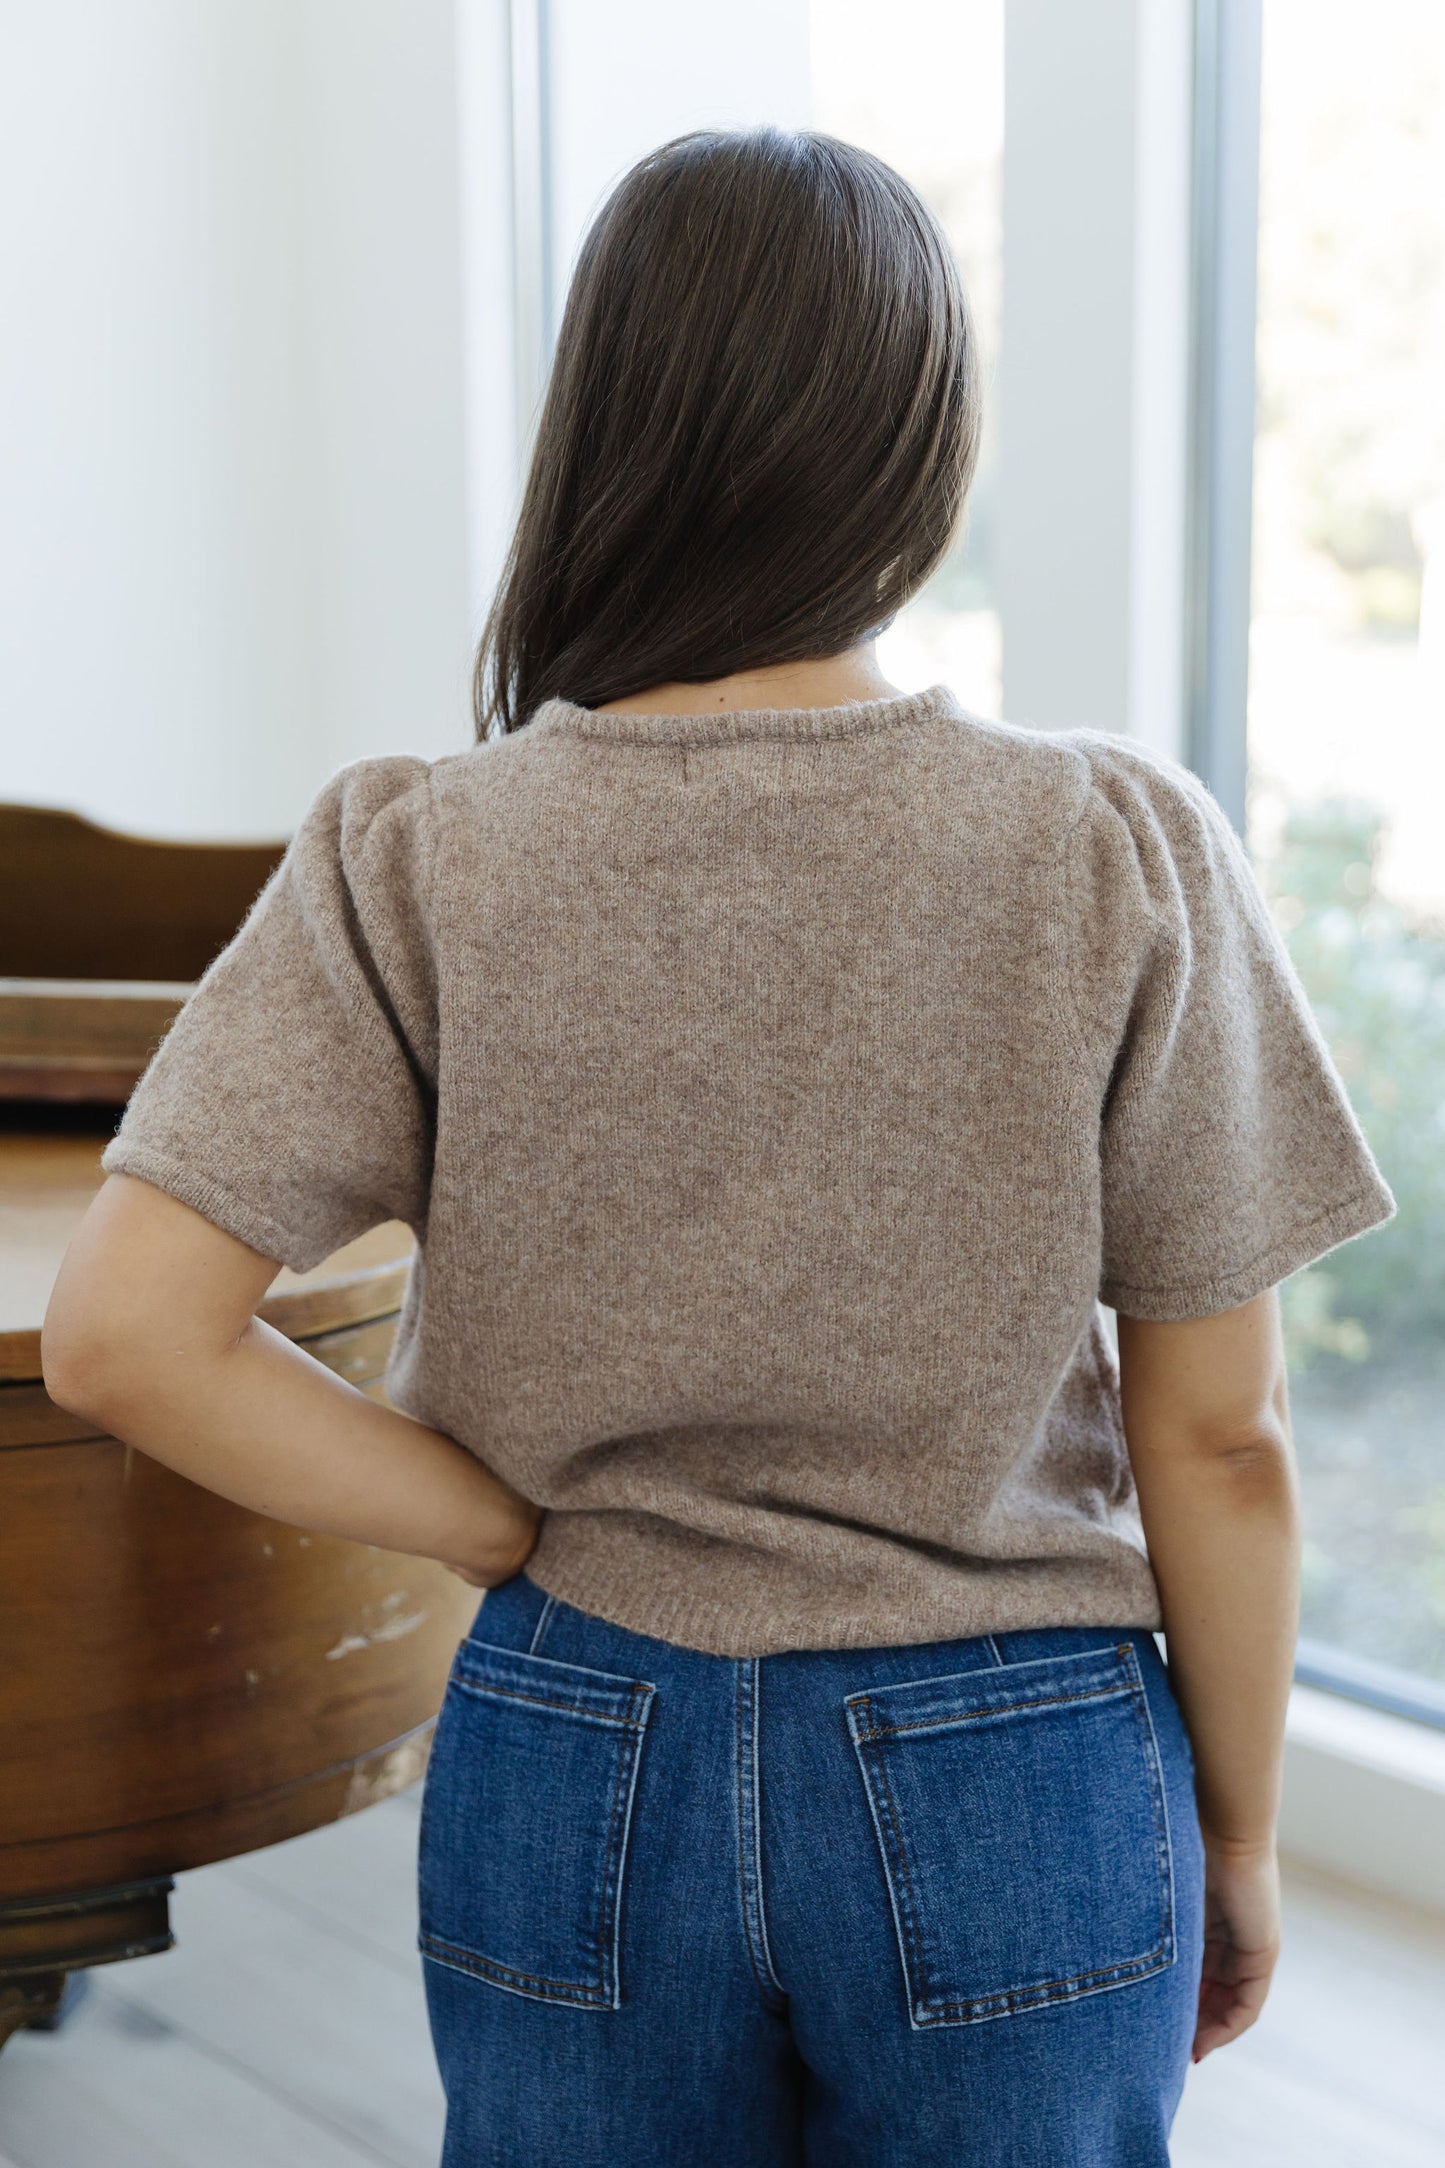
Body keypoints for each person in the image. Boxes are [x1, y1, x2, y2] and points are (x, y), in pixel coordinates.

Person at [43, 127, 1395, 2166]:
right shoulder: (1113, 845)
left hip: (572, 1740)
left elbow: (125, 1337)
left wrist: (499, 1530)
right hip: (1016, 1757)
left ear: (607, 428)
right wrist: (1242, 1831)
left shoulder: (414, 849)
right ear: (920, 453)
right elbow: (1221, 1439)